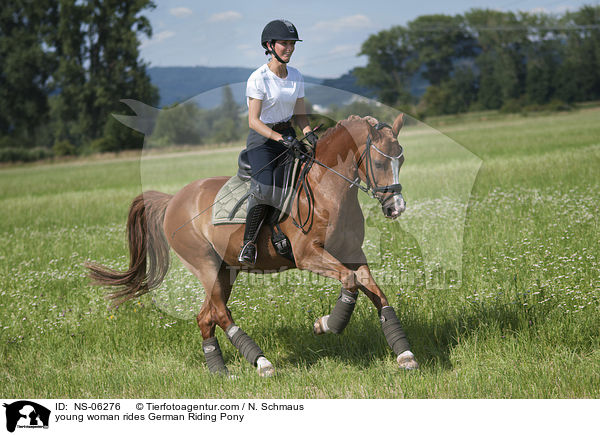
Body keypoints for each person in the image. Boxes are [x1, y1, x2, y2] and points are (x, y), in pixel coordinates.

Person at [238, 19, 318, 267]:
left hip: (289, 138)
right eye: (284, 43)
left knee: (304, 182)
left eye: (292, 43)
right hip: (263, 141)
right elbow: (253, 121)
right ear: (270, 45)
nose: (289, 48)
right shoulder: (258, 78)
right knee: (266, 191)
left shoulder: (296, 75)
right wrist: (280, 138)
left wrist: (309, 133)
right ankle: (249, 244)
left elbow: (300, 114)